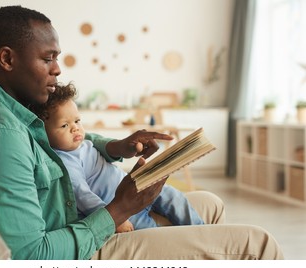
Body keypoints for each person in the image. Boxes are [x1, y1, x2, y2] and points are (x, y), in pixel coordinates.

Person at [0, 5, 284, 260]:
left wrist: (115, 146)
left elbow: (66, 144)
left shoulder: (11, 104)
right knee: (257, 244)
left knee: (209, 203)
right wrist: (119, 209)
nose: (57, 69)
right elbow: (29, 258)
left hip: (77, 220)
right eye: (47, 58)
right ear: (7, 58)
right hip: (76, 250)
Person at [31, 83, 204, 233]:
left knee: (174, 197)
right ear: (43, 133)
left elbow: (105, 144)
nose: (75, 129)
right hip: (123, 210)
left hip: (137, 188)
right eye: (64, 125)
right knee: (153, 233)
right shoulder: (65, 162)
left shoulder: (84, 143)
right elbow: (84, 197)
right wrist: (115, 220)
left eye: (77, 121)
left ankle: (202, 231)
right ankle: (186, 240)